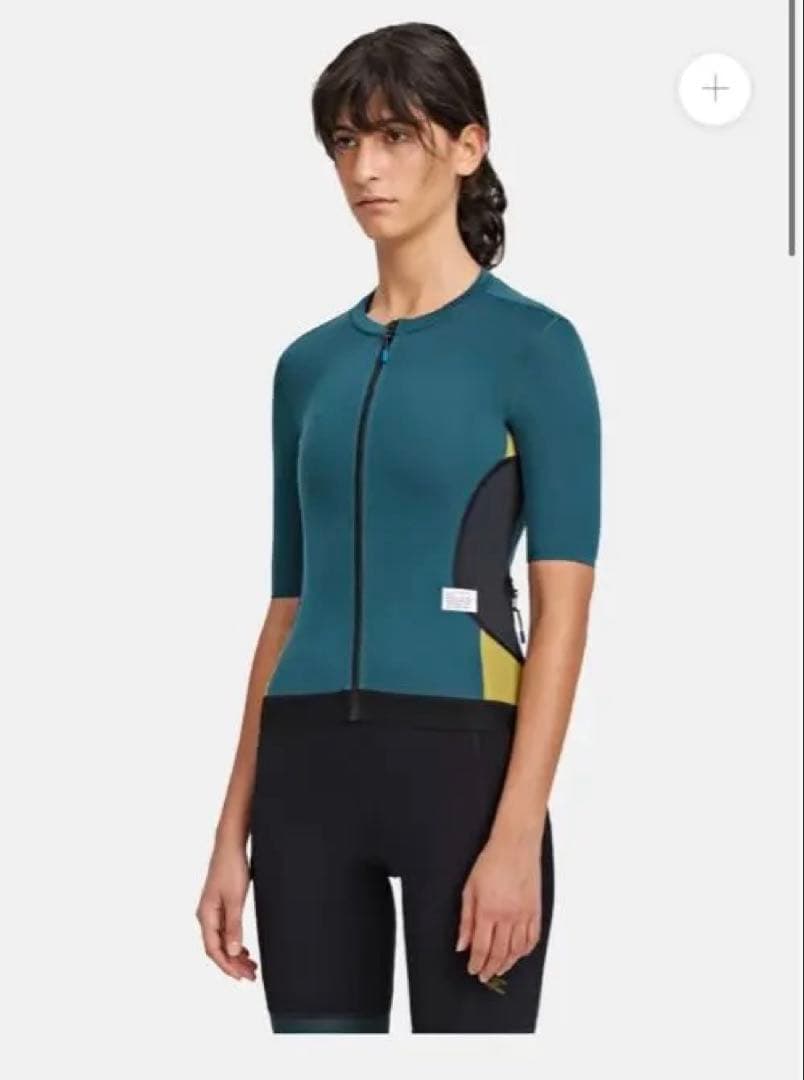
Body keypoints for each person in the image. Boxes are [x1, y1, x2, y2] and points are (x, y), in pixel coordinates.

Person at [195, 21, 601, 1034]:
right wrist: (231, 830)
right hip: (304, 777)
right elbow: (287, 605)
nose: (363, 169)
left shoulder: (535, 348)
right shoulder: (306, 367)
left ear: (467, 147)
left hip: (461, 768)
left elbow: (563, 613)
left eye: (394, 136)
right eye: (345, 141)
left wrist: (517, 834)